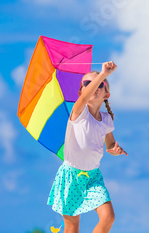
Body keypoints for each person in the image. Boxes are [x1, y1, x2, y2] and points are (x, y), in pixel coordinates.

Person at [47, 61, 127, 233]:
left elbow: (110, 144)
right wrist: (103, 75)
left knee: (108, 217)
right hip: (70, 176)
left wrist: (115, 149)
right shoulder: (78, 112)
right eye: (88, 84)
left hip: (93, 177)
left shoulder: (106, 120)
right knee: (72, 227)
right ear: (80, 92)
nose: (94, 86)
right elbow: (83, 99)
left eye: (100, 85)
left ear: (106, 95)